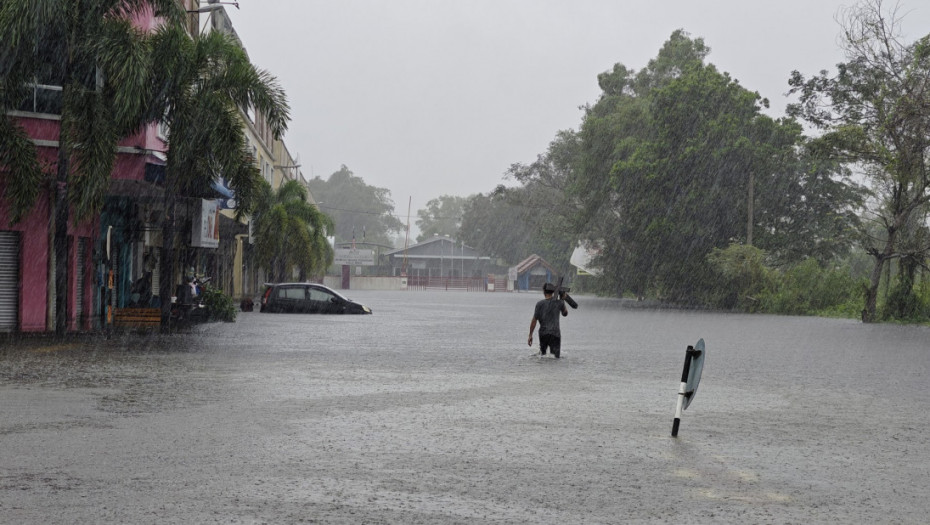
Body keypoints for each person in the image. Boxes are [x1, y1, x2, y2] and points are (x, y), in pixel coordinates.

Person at [528, 282, 569, 358]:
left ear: (544, 291)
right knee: (556, 357)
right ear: (553, 291)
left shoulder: (539, 304)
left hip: (543, 334)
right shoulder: (559, 303)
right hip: (555, 334)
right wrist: (563, 299)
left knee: (543, 356)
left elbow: (534, 320)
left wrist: (530, 335)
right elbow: (565, 313)